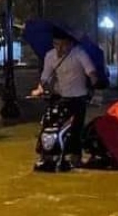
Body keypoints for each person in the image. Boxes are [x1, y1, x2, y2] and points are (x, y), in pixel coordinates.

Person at [30, 28, 99, 166]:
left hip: (78, 97)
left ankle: (75, 157)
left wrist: (94, 84)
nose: (59, 48)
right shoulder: (50, 55)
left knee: (76, 129)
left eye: (63, 45)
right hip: (59, 96)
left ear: (70, 44)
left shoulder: (80, 54)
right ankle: (46, 154)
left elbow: (91, 72)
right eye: (56, 44)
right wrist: (39, 89)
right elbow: (45, 77)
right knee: (48, 123)